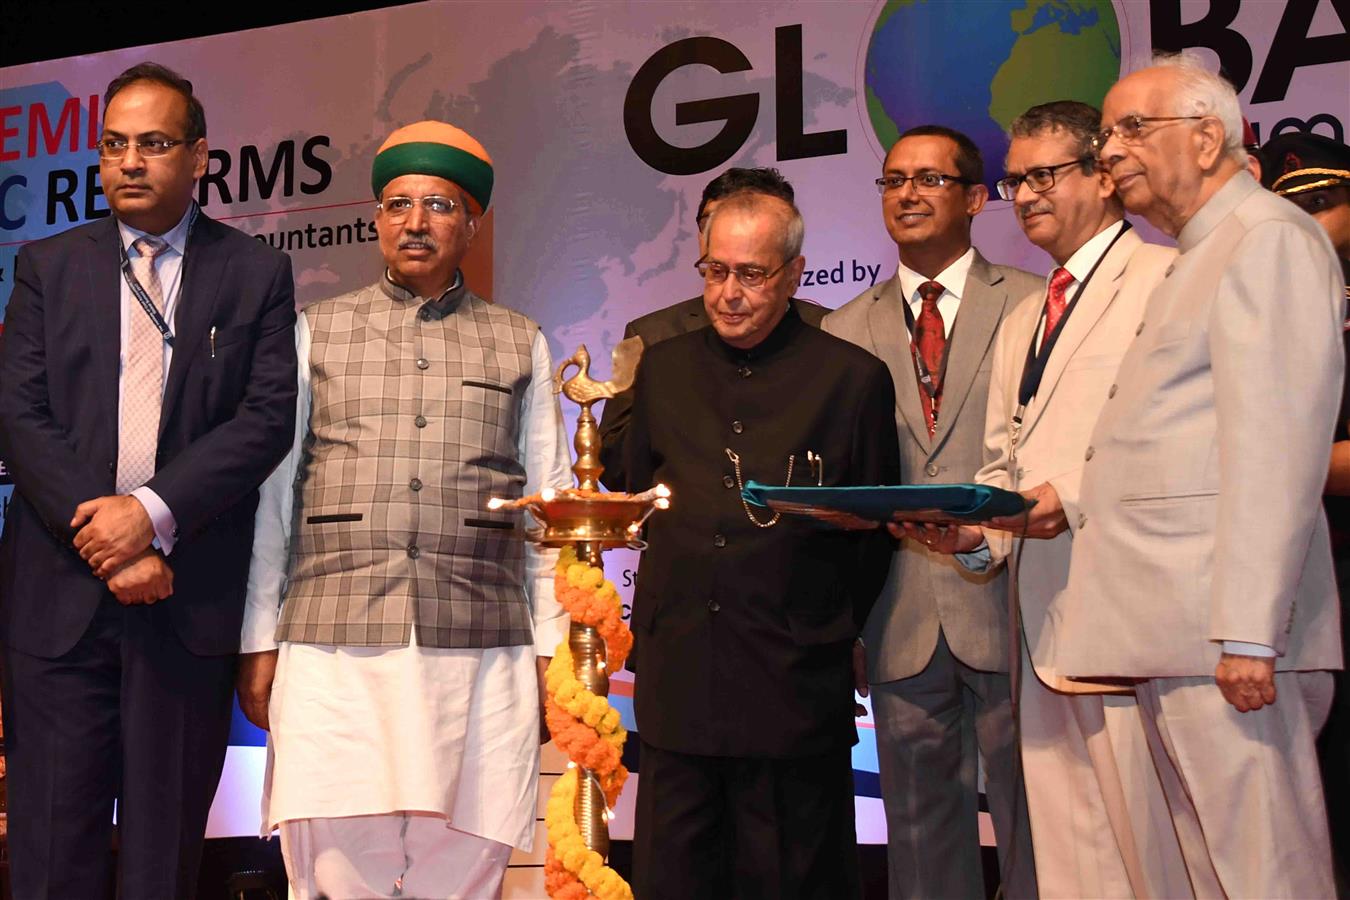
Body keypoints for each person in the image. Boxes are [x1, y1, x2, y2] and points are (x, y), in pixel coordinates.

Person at [236, 121, 572, 900]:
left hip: (478, 651)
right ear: (377, 220)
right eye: (397, 205)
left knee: (461, 874)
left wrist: (552, 648)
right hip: (333, 648)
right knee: (334, 877)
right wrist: (259, 639)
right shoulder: (314, 331)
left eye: (438, 205)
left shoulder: (521, 342)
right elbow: (275, 498)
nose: (415, 222)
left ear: (471, 224)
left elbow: (547, 510)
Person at [0, 62, 298, 897]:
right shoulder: (45, 267)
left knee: (163, 864)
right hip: (57, 609)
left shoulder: (255, 275)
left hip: (184, 606)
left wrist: (152, 516)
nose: (130, 161)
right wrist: (111, 540)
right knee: (52, 858)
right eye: (115, 145)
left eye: (155, 144)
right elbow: (19, 415)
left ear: (199, 155)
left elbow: (264, 420)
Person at [1054, 52, 1343, 897]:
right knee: (1213, 873)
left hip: (1230, 641)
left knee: (1266, 872)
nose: (1110, 152)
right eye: (1107, 135)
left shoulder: (1267, 241)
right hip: (1180, 635)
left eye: (1133, 129)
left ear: (1209, 137)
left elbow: (1279, 451)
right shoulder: (1203, 252)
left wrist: (1249, 633)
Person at [602, 192, 900, 899]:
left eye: (752, 275)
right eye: (715, 272)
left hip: (792, 686)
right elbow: (641, 492)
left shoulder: (851, 379)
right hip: (679, 680)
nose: (728, 295)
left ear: (795, 273)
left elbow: (873, 534)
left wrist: (825, 624)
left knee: (794, 878)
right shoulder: (664, 370)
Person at [924, 101, 1187, 897]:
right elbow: (1007, 463)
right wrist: (971, 537)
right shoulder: (1023, 317)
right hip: (1038, 618)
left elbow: (1175, 439)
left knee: (1155, 848)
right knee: (1074, 856)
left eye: (1045, 174)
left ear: (1104, 177)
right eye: (1015, 180)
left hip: (1138, 615)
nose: (1027, 194)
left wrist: (1065, 497)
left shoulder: (1166, 277)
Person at [822, 125, 1040, 899]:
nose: (907, 194)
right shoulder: (842, 330)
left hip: (1020, 611)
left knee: (1040, 834)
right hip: (899, 619)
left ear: (977, 198)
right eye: (892, 180)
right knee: (919, 846)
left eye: (929, 179)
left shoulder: (1034, 304)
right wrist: (847, 622)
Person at [598, 166, 824, 488]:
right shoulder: (653, 337)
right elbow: (615, 466)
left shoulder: (830, 331)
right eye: (711, 223)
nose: (727, 234)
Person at [1261, 128, 1350, 894]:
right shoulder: (1277, 306)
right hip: (1301, 591)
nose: (1308, 225)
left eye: (1325, 204)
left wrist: (1268, 465)